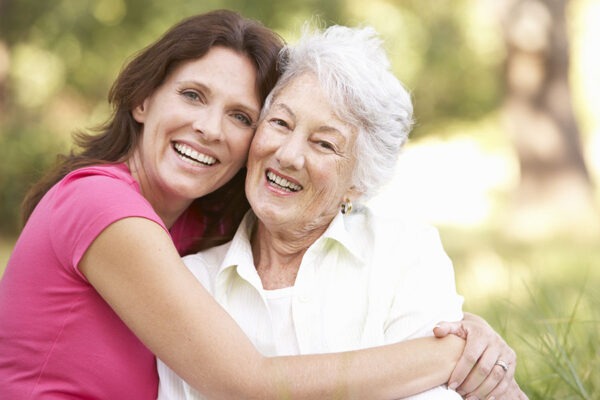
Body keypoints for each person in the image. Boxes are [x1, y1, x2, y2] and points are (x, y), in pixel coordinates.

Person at [0, 9, 519, 399]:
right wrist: (452, 353)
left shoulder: (200, 222)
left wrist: (472, 331)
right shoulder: (101, 205)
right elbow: (248, 384)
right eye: (193, 95)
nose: (208, 129)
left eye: (242, 116)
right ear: (143, 99)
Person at [157, 25, 527, 399]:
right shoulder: (195, 280)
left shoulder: (403, 252)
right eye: (281, 123)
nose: (288, 154)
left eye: (324, 143)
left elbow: (438, 394)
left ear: (358, 182)